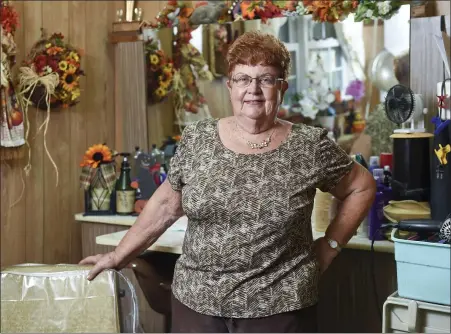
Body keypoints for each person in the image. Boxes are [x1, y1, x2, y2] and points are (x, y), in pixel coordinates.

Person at [80, 31, 376, 333]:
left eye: (266, 79)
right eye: (243, 78)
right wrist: (118, 256)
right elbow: (166, 205)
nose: (254, 89)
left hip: (280, 307)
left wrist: (329, 246)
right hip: (196, 305)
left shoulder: (309, 146)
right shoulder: (198, 139)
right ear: (231, 85)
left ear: (282, 87)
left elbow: (361, 187)